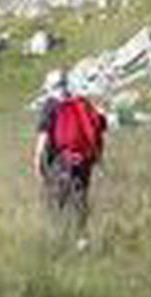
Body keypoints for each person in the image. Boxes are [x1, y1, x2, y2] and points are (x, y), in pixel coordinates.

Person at [32, 69, 107, 239]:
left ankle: (60, 241)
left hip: (60, 162)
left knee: (57, 204)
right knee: (79, 201)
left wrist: (37, 162)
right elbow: (96, 128)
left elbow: (43, 137)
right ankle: (81, 239)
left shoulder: (51, 105)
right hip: (83, 162)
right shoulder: (81, 103)